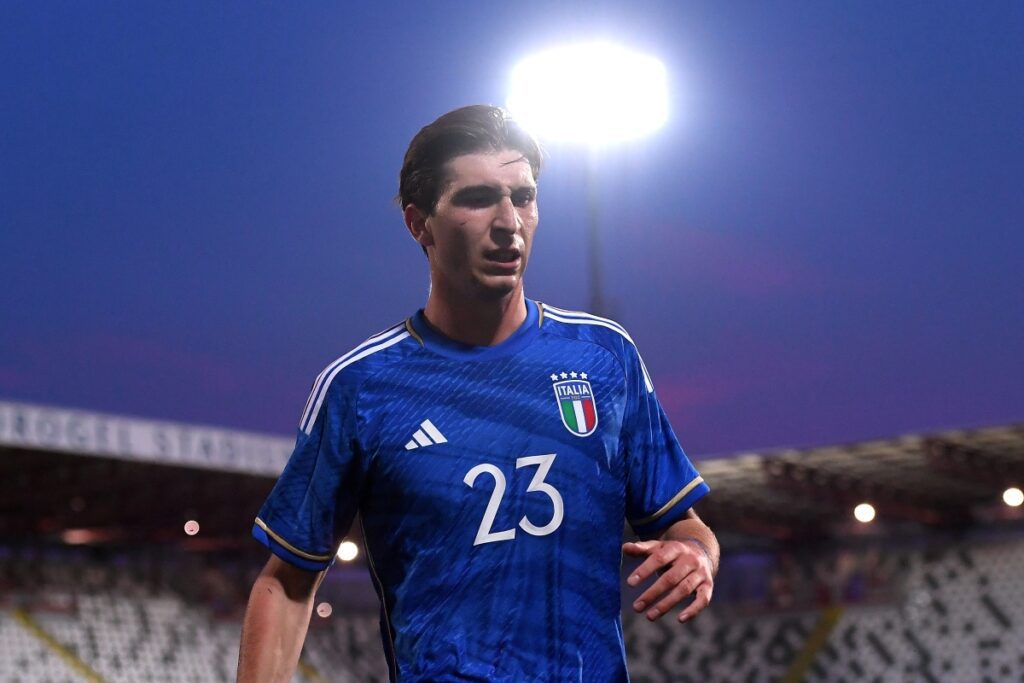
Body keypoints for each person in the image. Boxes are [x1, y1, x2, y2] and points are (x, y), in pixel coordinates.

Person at [237, 104, 719, 682]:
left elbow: (683, 524)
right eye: (478, 198)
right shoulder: (360, 387)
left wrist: (698, 554)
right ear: (419, 224)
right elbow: (287, 583)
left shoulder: (604, 357)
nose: (509, 221)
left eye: (523, 197)